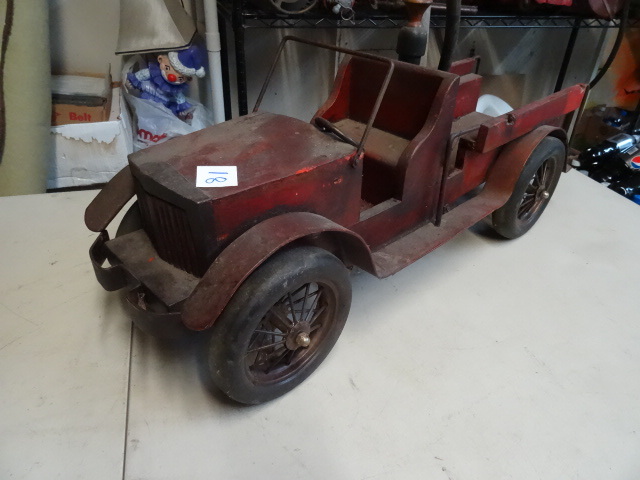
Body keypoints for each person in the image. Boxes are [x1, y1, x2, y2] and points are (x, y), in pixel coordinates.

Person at [127, 44, 206, 120]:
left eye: (180, 78)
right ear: (161, 60)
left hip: (165, 103)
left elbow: (179, 98)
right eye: (167, 68)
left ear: (188, 79)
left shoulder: (175, 89)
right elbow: (143, 74)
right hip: (148, 94)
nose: (171, 77)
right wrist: (133, 81)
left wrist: (184, 110)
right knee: (146, 111)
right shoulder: (155, 72)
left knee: (167, 114)